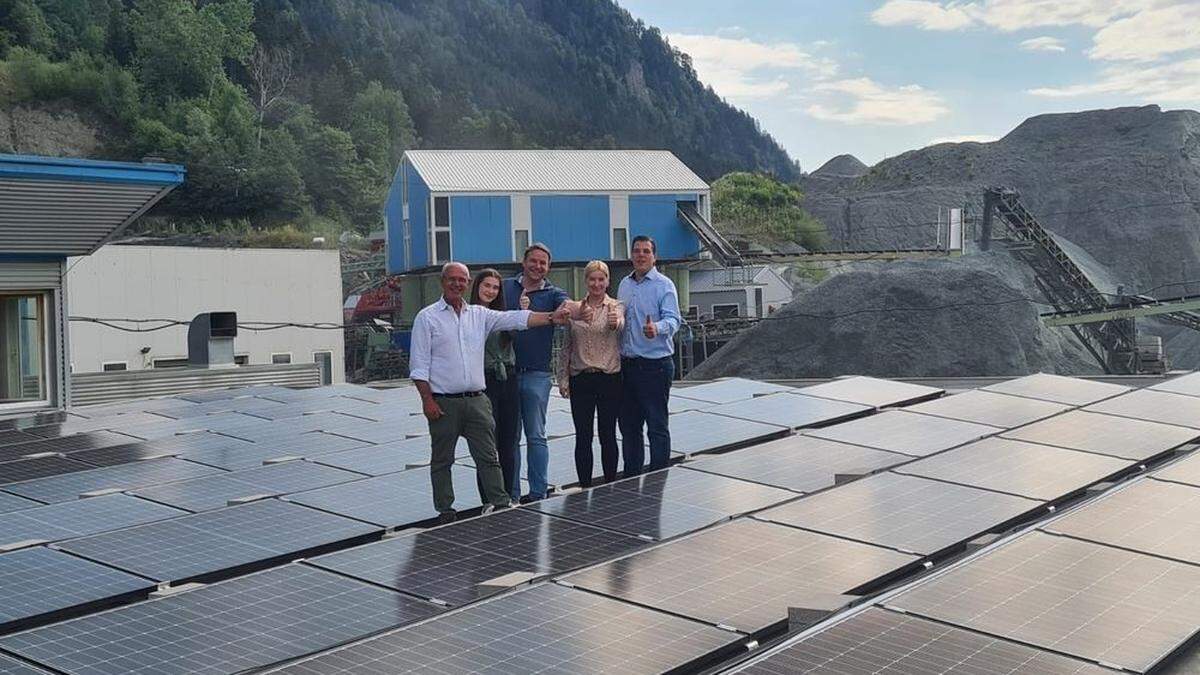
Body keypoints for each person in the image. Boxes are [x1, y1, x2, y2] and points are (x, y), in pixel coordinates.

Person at [409, 262, 558, 524]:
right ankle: (445, 511)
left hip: (478, 400)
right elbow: (419, 366)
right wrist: (427, 400)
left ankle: (499, 504)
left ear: (468, 284)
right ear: (443, 282)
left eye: (462, 280)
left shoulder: (478, 315)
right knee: (443, 461)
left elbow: (515, 318)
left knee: (489, 457)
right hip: (444, 403)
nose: (457, 284)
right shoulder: (427, 317)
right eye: (452, 279)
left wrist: (551, 317)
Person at [503, 243, 571, 503]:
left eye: (543, 263)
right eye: (534, 261)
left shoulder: (554, 293)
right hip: (506, 373)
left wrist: (568, 311)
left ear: (548, 267)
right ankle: (511, 493)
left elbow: (568, 308)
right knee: (510, 437)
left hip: (536, 375)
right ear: (524, 261)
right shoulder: (506, 287)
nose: (538, 266)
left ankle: (537, 491)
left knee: (536, 435)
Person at [617, 235, 682, 475]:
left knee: (656, 425)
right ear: (631, 255)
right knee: (629, 427)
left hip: (654, 366)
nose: (641, 255)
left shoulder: (664, 285)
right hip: (628, 366)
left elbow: (674, 320)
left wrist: (657, 328)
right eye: (637, 251)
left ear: (654, 256)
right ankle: (632, 478)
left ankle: (657, 476)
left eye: (646, 251)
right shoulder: (624, 284)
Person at [556, 260, 624, 487]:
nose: (597, 284)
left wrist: (616, 322)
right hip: (581, 378)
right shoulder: (573, 308)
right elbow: (567, 346)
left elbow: (619, 325)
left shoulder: (616, 306)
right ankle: (585, 485)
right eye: (592, 279)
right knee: (583, 435)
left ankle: (610, 483)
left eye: (601, 279)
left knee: (608, 433)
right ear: (586, 281)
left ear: (607, 281)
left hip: (608, 377)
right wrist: (562, 378)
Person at [470, 268, 521, 502]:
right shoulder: (467, 315)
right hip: (483, 382)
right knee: (487, 446)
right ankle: (488, 499)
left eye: (495, 287)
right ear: (477, 287)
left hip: (508, 379)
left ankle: (507, 497)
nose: (490, 291)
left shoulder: (504, 316)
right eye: (486, 285)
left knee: (508, 445)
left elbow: (522, 326)